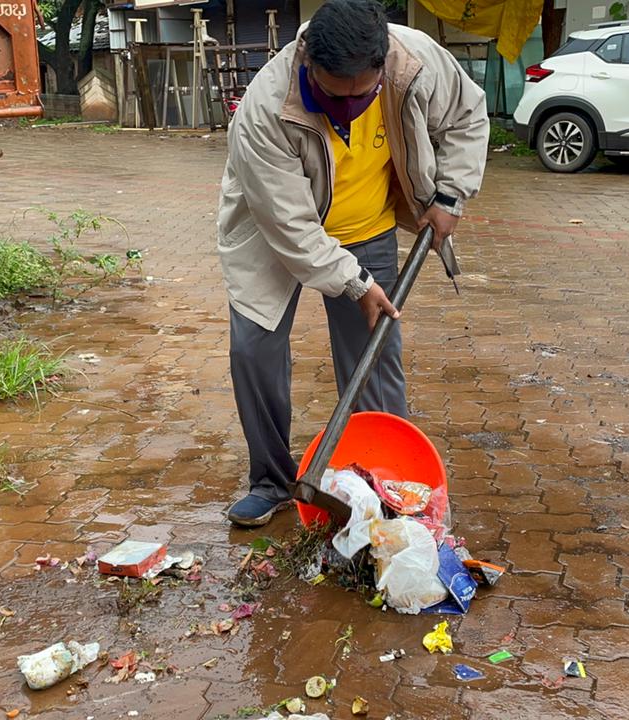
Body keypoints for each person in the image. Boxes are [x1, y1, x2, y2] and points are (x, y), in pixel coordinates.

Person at [216, 0, 487, 527]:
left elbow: (467, 115)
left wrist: (450, 196)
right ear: (306, 62)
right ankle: (271, 480)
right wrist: (354, 284)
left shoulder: (416, 63)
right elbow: (292, 229)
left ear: (382, 68)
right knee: (254, 351)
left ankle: (385, 480)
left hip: (367, 226)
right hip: (274, 238)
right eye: (330, 96)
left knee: (374, 356)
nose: (345, 109)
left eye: (361, 96)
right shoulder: (265, 109)